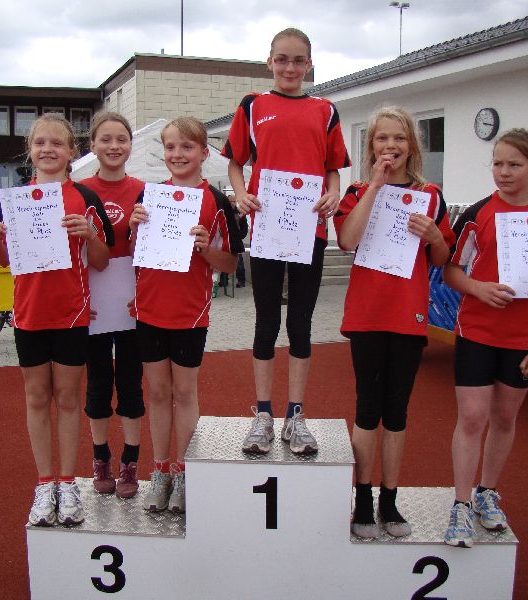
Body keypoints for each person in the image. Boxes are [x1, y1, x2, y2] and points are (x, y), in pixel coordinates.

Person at [442, 128, 528, 547]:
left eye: (514, 164)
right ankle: (461, 504)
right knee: (472, 418)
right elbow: (450, 271)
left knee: (503, 419)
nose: (503, 172)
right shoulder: (478, 214)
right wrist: (478, 288)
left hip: (521, 340)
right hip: (477, 332)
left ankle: (487, 492)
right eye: (498, 163)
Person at [222, 27, 350, 455]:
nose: (290, 67)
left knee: (300, 323)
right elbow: (235, 163)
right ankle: (263, 414)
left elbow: (332, 167)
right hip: (267, 228)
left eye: (298, 60)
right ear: (270, 62)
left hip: (310, 228)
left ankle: (296, 415)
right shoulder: (252, 105)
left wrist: (333, 192)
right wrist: (241, 194)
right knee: (266, 322)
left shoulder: (325, 110)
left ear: (309, 64)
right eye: (282, 59)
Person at [0, 113, 111, 527]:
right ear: (30, 150)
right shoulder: (14, 200)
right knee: (37, 398)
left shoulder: (85, 198)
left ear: (72, 151)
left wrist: (89, 235)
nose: (48, 149)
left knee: (69, 399)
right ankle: (44, 484)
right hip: (29, 315)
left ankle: (68, 482)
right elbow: (7, 261)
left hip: (71, 314)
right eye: (40, 142)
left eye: (57, 143)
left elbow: (102, 261)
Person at [333, 107, 455, 538]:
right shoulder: (357, 192)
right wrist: (376, 186)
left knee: (397, 411)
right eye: (382, 138)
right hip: (367, 315)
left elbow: (441, 258)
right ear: (371, 146)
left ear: (412, 146)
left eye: (399, 138)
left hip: (408, 315)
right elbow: (347, 239)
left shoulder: (430, 195)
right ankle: (363, 499)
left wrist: (435, 236)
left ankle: (390, 499)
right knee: (368, 408)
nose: (391, 146)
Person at [130, 116, 244, 513]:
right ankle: (160, 471)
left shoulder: (216, 201)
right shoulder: (148, 195)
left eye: (187, 147)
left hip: (190, 314)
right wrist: (134, 227)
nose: (177, 154)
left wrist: (206, 249)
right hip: (149, 310)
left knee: (184, 393)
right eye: (170, 147)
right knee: (158, 393)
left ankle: (183, 472)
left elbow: (230, 264)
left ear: (203, 153)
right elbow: (134, 253)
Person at [78, 112, 145, 499]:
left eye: (122, 139)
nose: (114, 146)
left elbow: (154, 251)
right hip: (93, 304)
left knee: (131, 384)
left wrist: (146, 293)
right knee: (98, 383)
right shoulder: (79, 191)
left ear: (130, 145)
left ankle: (131, 461)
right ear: (92, 145)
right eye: (106, 139)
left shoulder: (145, 191)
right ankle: (100, 456)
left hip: (134, 302)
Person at [219, 194, 248, 290]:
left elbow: (244, 228)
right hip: (225, 240)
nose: (232, 203)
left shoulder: (240, 212)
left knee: (239, 263)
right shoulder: (224, 212)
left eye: (233, 201)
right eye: (230, 201)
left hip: (236, 241)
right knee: (224, 261)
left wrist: (239, 236)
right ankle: (224, 280)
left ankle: (241, 281)